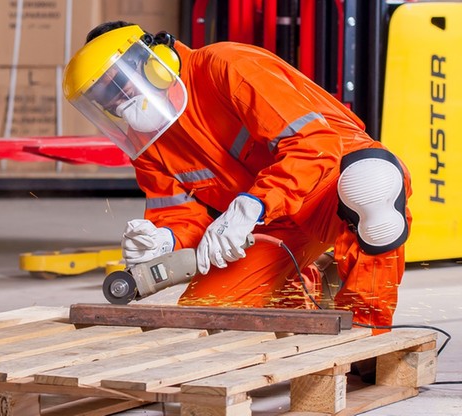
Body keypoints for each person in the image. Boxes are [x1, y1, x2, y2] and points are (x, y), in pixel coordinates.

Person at [63, 21, 412, 334]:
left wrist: (254, 203)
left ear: (156, 63)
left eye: (119, 85)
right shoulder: (148, 140)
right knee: (204, 320)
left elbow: (314, 145)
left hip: (329, 186)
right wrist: (163, 240)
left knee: (371, 184)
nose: (117, 102)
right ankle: (306, 291)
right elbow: (180, 214)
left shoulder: (226, 66)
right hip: (265, 227)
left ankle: (367, 332)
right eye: (104, 98)